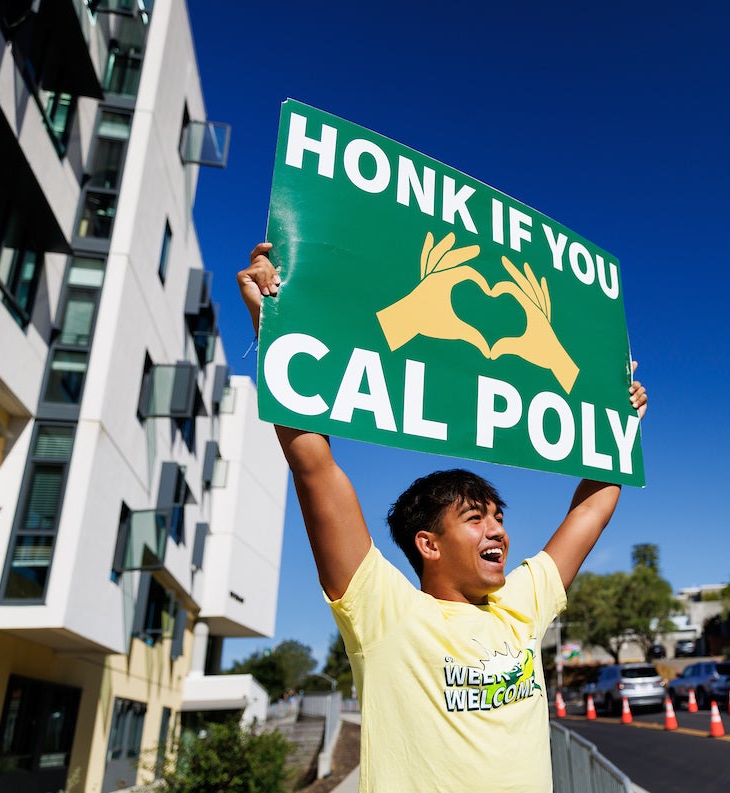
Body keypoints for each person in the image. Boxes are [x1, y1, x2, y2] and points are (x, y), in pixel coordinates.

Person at [237, 242, 647, 792]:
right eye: (476, 519)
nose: (498, 529)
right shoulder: (385, 615)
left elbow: (592, 509)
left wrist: (616, 422)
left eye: (498, 516)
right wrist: (274, 323)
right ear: (428, 544)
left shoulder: (520, 607)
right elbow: (315, 469)